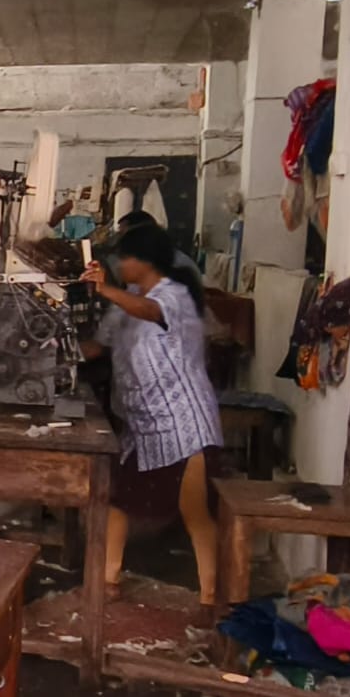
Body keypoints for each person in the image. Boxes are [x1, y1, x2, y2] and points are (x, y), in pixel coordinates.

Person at [80, 225, 223, 610]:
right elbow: (97, 347)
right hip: (143, 426)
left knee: (195, 512)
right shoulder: (125, 301)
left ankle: (211, 598)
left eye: (124, 258)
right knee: (117, 500)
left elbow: (152, 312)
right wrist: (58, 351)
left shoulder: (175, 296)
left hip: (183, 424)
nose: (119, 264)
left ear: (143, 261)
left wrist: (105, 289)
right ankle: (108, 581)